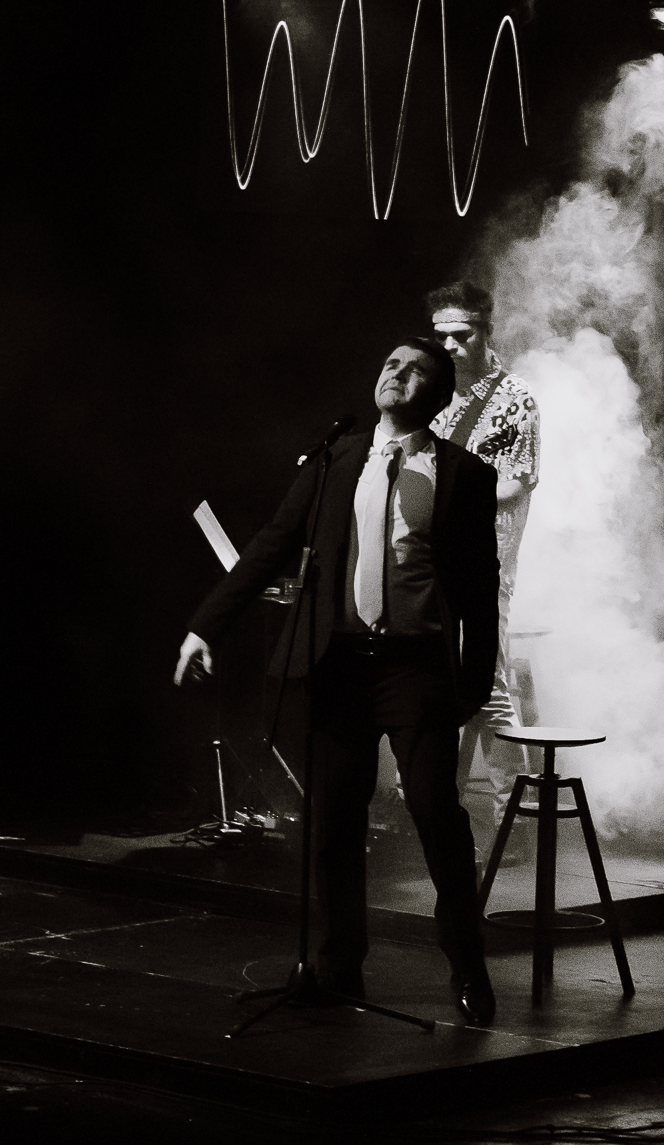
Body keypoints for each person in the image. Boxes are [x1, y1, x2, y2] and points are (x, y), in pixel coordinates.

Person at [173, 338, 501, 1025]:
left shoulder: (464, 475)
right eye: (390, 363)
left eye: (414, 369)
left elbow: (479, 588)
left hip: (416, 667)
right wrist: (208, 626)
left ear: (439, 396)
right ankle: (337, 964)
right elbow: (272, 543)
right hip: (341, 664)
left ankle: (468, 964)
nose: (396, 373)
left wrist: (472, 683)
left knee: (436, 813)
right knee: (334, 823)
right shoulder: (335, 459)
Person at [423, 282, 541, 843]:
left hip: (485, 559)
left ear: (486, 331)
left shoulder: (515, 397)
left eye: (461, 334)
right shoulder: (434, 394)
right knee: (437, 681)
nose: (449, 345)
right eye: (440, 335)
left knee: (489, 688)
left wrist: (449, 498)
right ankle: (433, 811)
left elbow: (518, 482)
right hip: (433, 556)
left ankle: (511, 820)